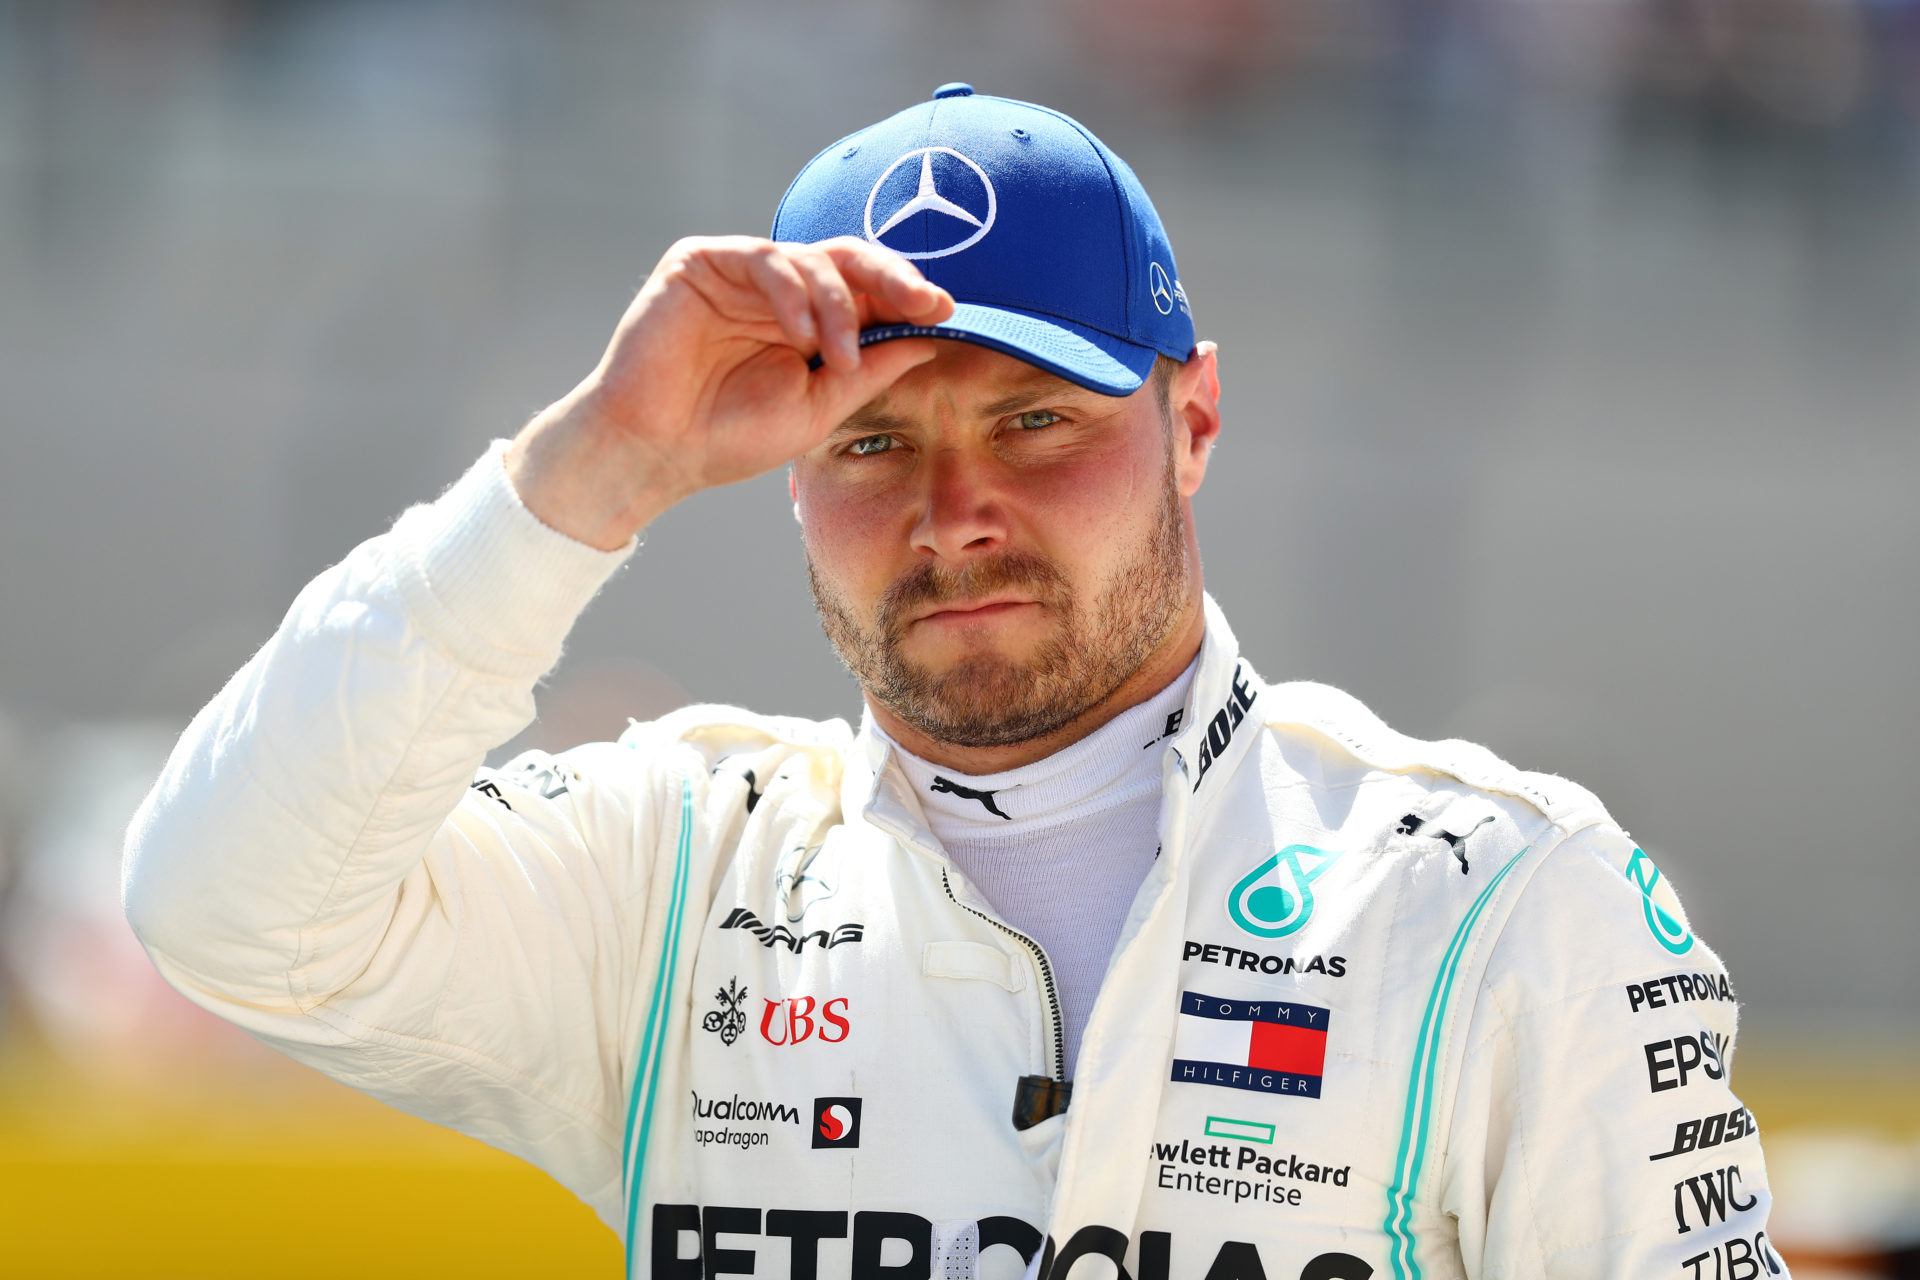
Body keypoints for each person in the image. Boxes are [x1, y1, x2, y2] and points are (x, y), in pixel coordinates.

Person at [124, 85, 1787, 1280]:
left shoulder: (1507, 903)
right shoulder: (678, 873)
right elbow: (226, 910)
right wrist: (594, 469)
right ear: (785, 476)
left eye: (1035, 421)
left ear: (1194, 422)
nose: (953, 511)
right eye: (869, 440)